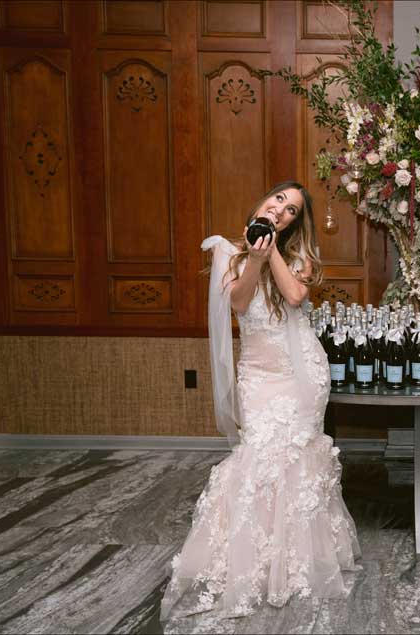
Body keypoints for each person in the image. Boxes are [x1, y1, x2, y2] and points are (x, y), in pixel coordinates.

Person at [162, 182, 360, 618]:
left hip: (302, 372)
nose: (281, 211)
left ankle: (298, 561)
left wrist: (270, 251)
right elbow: (240, 300)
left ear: (295, 222)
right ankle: (256, 559)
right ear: (261, 201)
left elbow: (294, 296)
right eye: (277, 201)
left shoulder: (299, 256)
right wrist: (252, 256)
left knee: (300, 457)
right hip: (259, 374)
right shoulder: (226, 253)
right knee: (259, 457)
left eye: (291, 211)